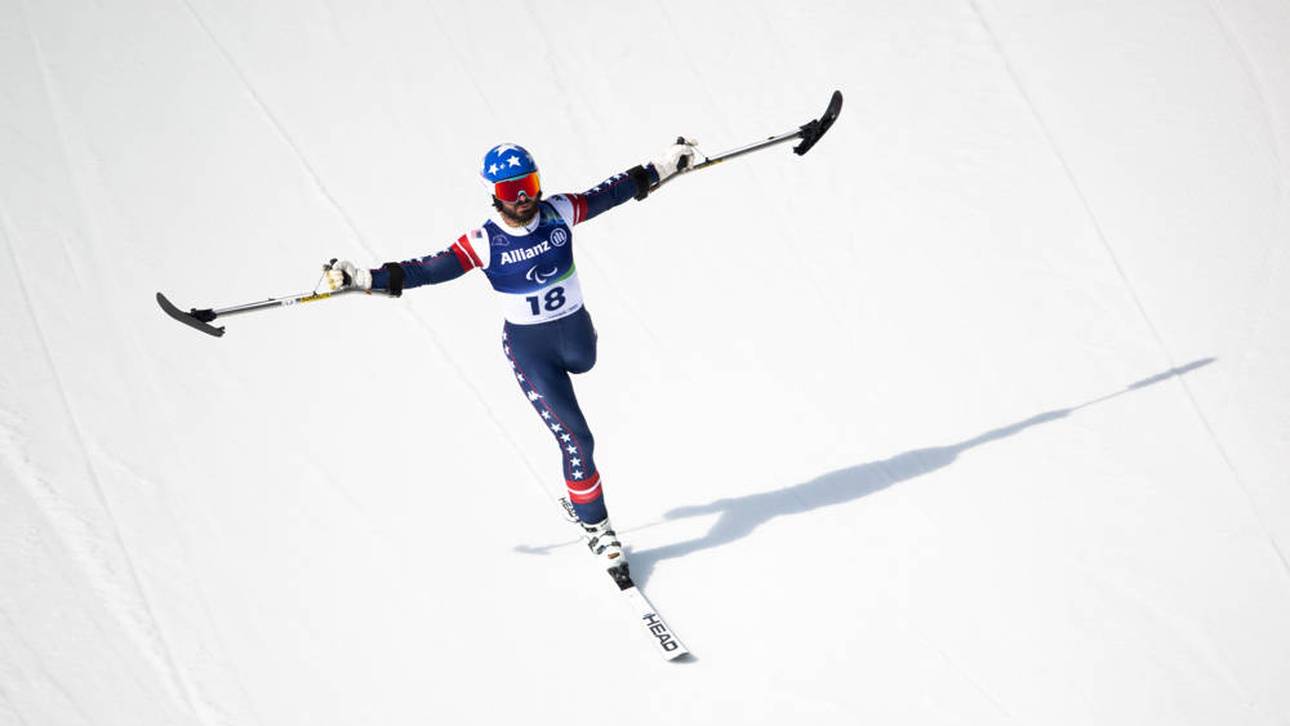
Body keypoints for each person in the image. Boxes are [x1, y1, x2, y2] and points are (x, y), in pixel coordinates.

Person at [326, 139, 700, 573]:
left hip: (577, 338)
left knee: (586, 361)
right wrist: (364, 278)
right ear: (493, 194)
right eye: (510, 191)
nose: (523, 199)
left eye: (528, 184)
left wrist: (664, 166)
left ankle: (585, 490)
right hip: (531, 350)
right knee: (578, 440)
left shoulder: (558, 212)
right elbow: (426, 270)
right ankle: (599, 529)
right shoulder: (485, 241)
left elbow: (611, 192)